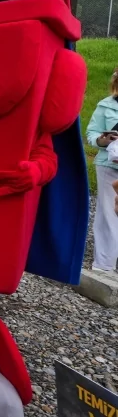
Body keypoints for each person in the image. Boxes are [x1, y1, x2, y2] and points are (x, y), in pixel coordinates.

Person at [85, 67, 118, 274]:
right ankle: (104, 268)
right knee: (107, 215)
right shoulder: (105, 105)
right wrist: (102, 140)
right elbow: (92, 133)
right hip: (109, 165)